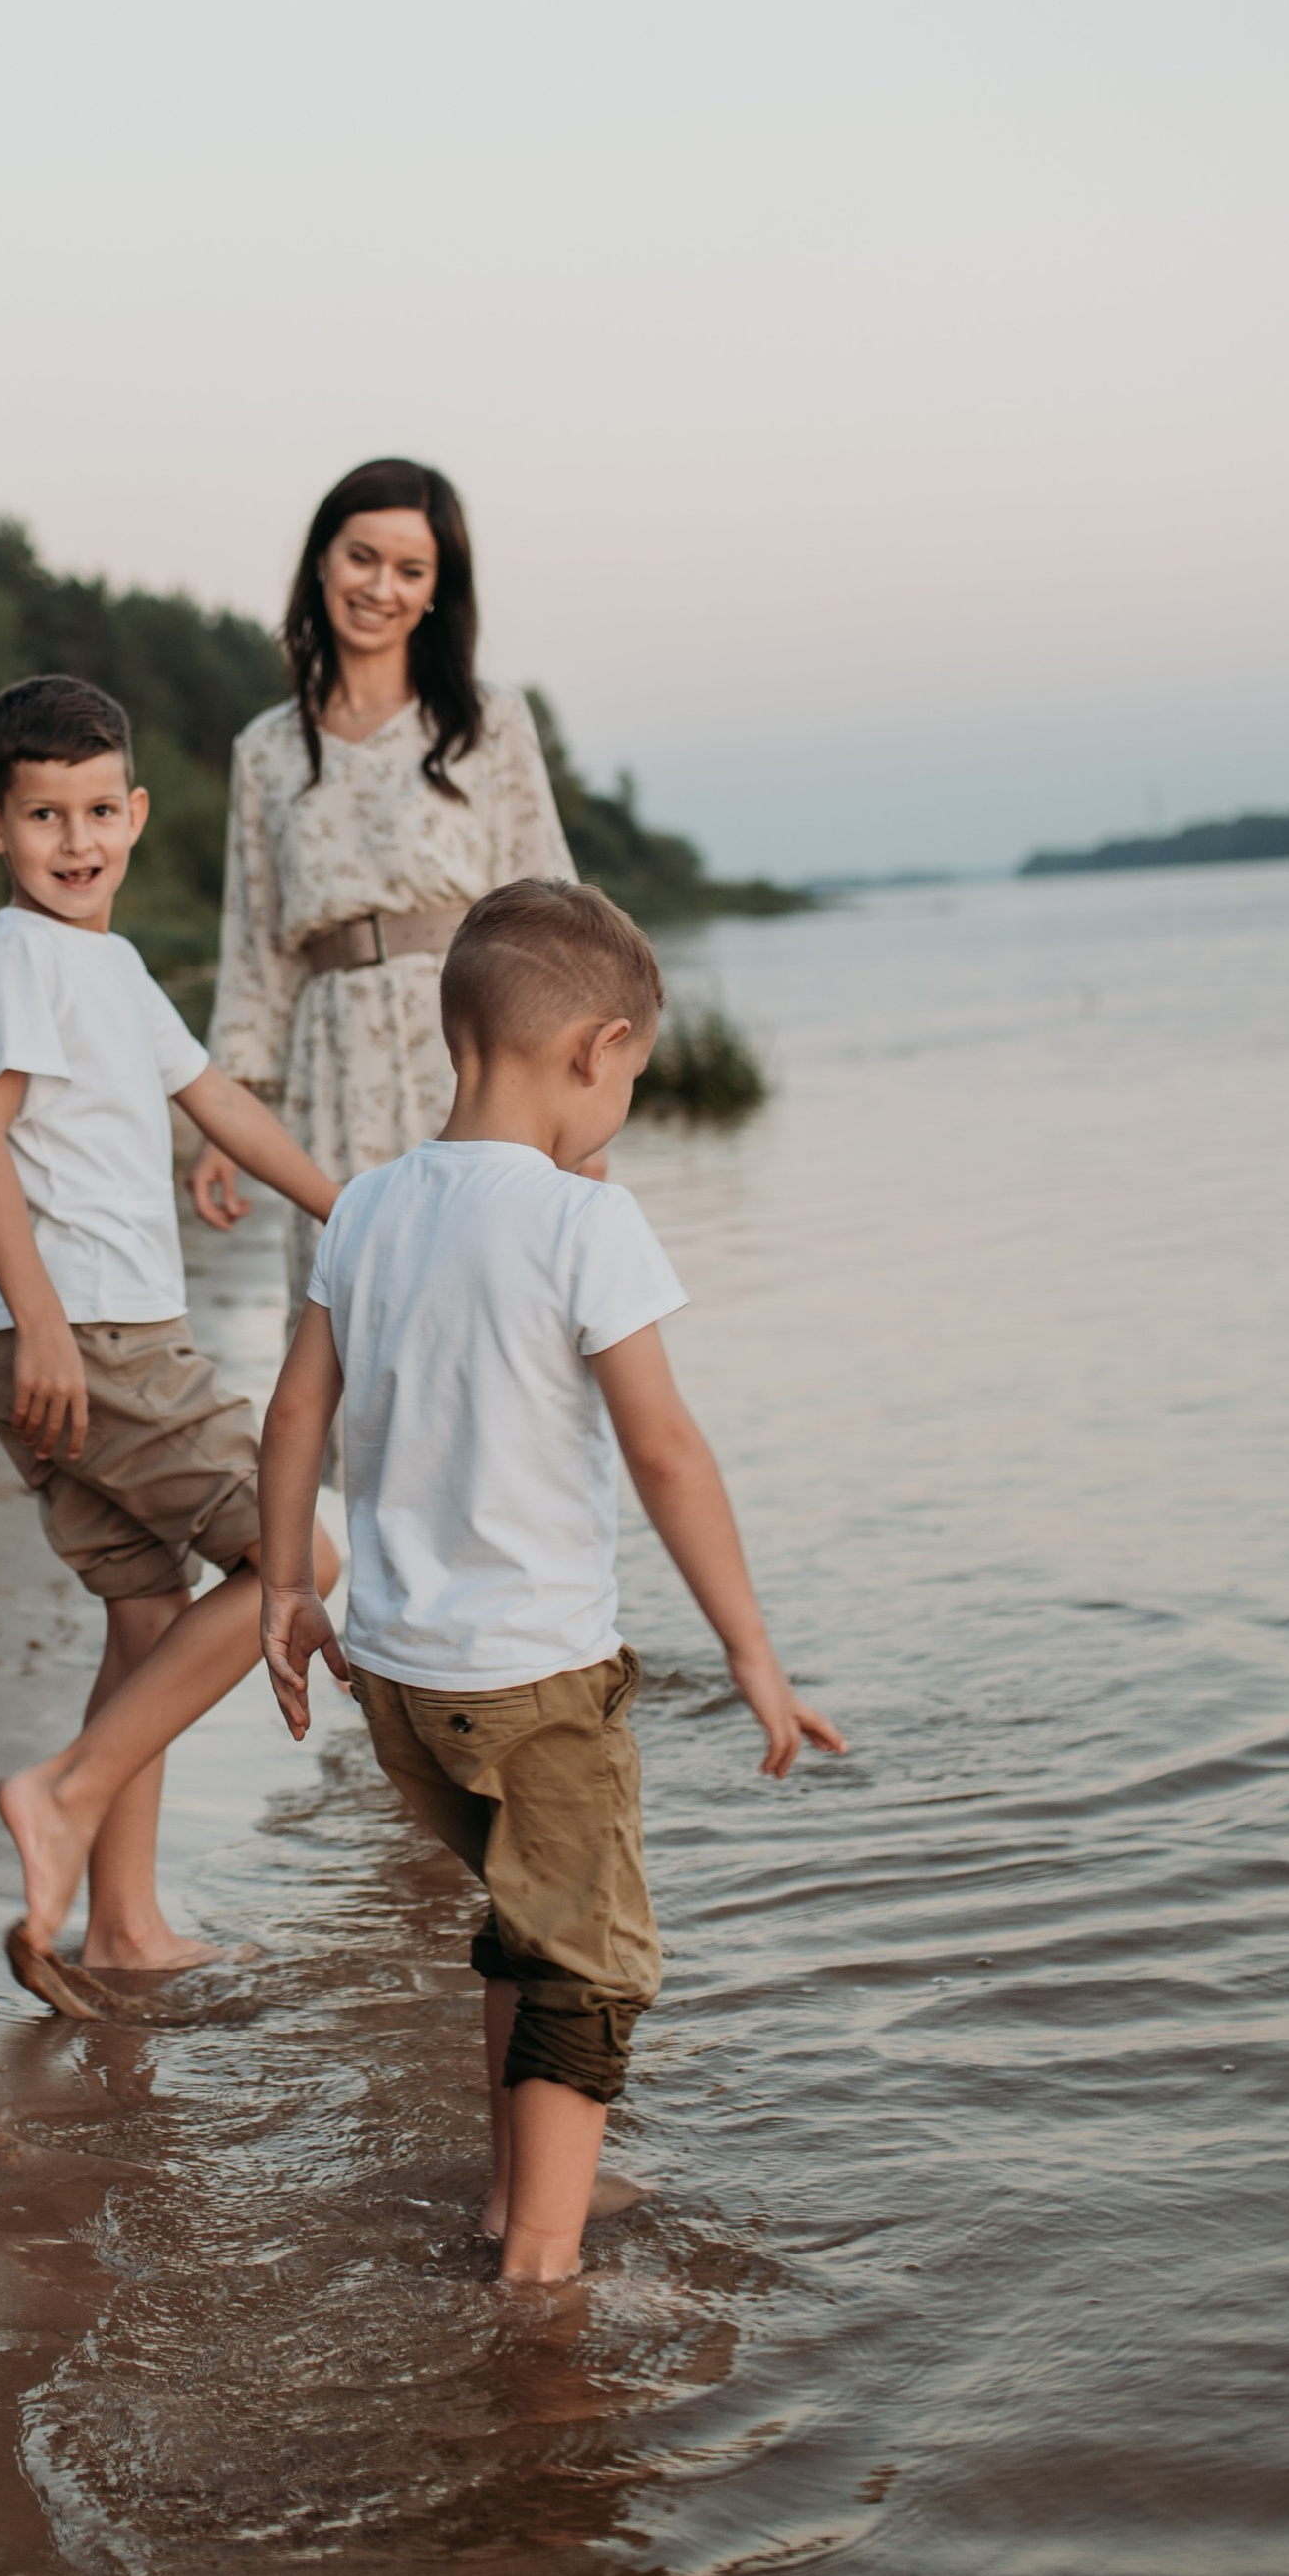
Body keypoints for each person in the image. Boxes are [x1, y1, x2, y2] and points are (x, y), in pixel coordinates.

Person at [254, 879, 845, 2285]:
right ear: (597, 1047)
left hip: (402, 1684)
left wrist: (288, 1590)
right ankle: (537, 2265)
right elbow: (668, 1450)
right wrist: (754, 1654)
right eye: (629, 1076)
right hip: (536, 1681)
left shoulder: (371, 1208)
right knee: (590, 1961)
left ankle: (515, 2188)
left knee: (522, 1923)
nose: (621, 1106)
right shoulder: (590, 1222)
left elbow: (292, 1418)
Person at [0, 672, 342, 2018]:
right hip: (90, 1343)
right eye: (44, 815)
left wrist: (350, 1204)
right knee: (301, 1555)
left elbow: (213, 1097)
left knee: (148, 1613)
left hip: (85, 1341)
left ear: (139, 815)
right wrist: (47, 1323)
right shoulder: (17, 957)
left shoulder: (108, 967)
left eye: (98, 812)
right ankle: (63, 1794)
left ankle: (122, 1926)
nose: (75, 842)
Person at [193, 457, 580, 1313]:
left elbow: (552, 920)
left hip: (472, 1059)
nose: (381, 588)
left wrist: (576, 1108)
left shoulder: (489, 723)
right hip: (327, 1071)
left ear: (439, 590)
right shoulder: (267, 749)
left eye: (412, 570)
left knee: (488, 1314)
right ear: (323, 561)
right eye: (363, 557)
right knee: (346, 1321)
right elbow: (254, 945)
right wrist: (228, 1119)